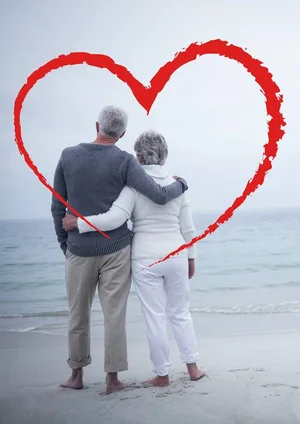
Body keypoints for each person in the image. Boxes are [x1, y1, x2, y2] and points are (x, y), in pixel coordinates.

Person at [51, 106, 189, 394]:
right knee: (114, 315)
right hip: (117, 250)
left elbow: (57, 205)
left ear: (97, 124)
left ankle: (76, 376)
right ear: (123, 133)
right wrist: (183, 184)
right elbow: (160, 195)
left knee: (78, 314)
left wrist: (66, 244)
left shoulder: (67, 156)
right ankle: (112, 380)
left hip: (78, 249)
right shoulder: (125, 161)